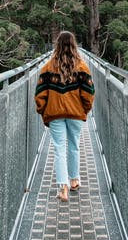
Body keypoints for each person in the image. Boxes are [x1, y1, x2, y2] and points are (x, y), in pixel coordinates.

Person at [34, 31, 95, 202]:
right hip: (76, 113)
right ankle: (75, 180)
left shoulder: (48, 67)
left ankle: (63, 188)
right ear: (74, 45)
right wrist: (85, 109)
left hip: (55, 114)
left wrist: (43, 111)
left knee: (59, 149)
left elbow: (40, 94)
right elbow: (89, 93)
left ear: (57, 45)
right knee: (74, 146)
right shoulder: (82, 67)